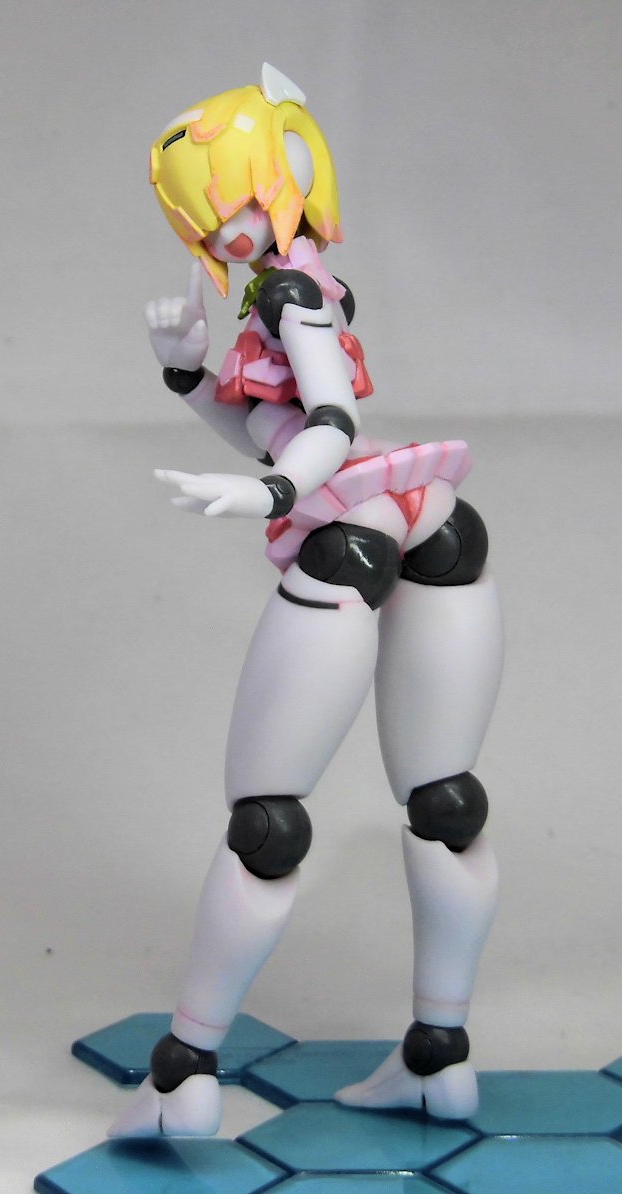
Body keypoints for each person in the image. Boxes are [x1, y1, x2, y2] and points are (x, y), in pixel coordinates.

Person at [110, 64, 503, 1138]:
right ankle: (438, 1058)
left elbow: (325, 421)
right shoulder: (296, 283)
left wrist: (271, 495)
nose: (216, 231)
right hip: (430, 514)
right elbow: (274, 424)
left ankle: (182, 1079)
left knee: (267, 821)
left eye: (223, 202)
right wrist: (187, 377)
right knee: (443, 801)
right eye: (201, 217)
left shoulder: (288, 295)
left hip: (346, 526)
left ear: (277, 178)